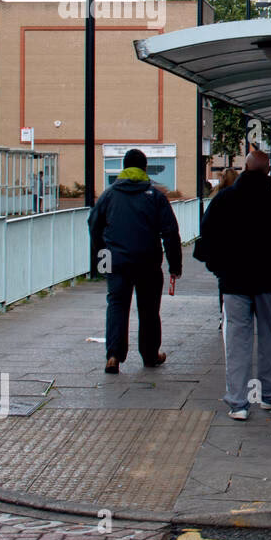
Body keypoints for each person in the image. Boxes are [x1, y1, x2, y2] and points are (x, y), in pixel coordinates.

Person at [197, 148, 271, 421]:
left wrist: (218, 269)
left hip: (233, 284)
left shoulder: (223, 200)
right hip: (267, 281)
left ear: (244, 167)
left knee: (236, 341)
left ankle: (238, 403)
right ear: (268, 172)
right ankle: (270, 395)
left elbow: (205, 242)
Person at [87, 148, 182, 374]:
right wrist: (175, 265)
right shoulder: (156, 196)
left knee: (117, 306)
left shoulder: (109, 195)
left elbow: (94, 225)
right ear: (144, 168)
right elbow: (170, 231)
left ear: (124, 167)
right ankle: (150, 355)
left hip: (117, 262)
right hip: (148, 262)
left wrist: (102, 259)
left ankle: (113, 356)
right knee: (149, 309)